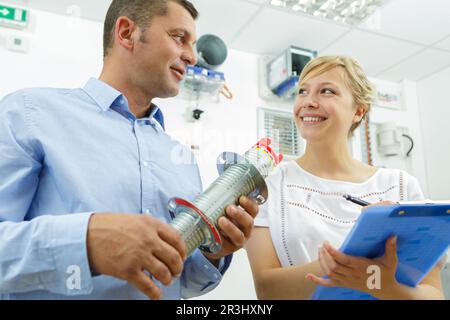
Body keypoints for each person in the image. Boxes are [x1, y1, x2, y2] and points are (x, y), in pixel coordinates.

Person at [0, 0, 259, 300]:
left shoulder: (182, 159)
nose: (191, 56)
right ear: (126, 33)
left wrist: (214, 251)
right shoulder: (29, 113)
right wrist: (85, 242)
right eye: (179, 38)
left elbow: (180, 282)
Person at [246, 55, 445, 300]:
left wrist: (383, 286)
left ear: (359, 111)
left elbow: (434, 294)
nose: (308, 102)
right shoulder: (267, 186)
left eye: (327, 91)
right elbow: (268, 291)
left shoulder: (401, 187)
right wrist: (357, 256)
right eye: (302, 91)